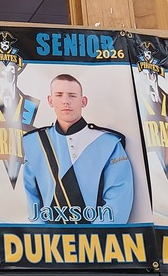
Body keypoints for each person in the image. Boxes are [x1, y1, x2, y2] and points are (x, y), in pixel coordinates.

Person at [22, 73, 134, 224]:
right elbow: (30, 196)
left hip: (97, 237)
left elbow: (119, 197)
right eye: (59, 95)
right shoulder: (33, 142)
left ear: (83, 101)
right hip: (48, 237)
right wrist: (43, 233)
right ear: (50, 100)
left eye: (72, 95)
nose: (65, 101)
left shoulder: (108, 142)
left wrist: (96, 236)